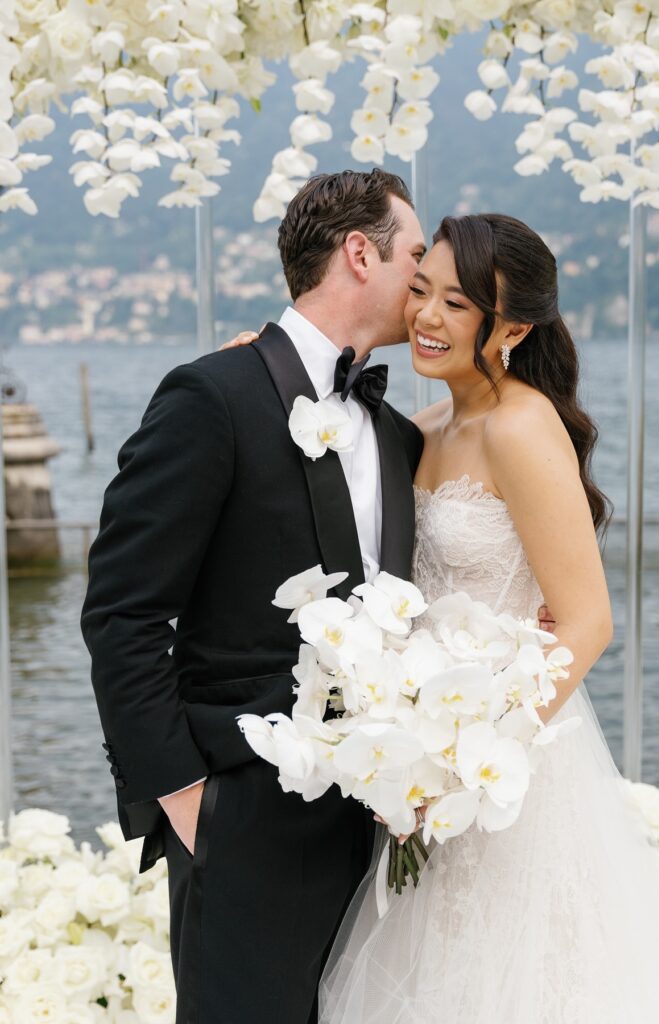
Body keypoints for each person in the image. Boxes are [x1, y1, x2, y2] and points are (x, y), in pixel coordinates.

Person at [229, 212, 659, 1023]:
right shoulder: (422, 428)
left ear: (511, 327)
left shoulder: (521, 427)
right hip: (416, 768)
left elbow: (586, 625)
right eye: (421, 291)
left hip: (502, 772)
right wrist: (255, 378)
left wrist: (456, 771)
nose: (427, 319)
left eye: (459, 304)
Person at [80, 168, 428, 1024]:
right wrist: (188, 804)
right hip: (245, 823)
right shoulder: (212, 396)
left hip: (382, 832)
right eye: (414, 256)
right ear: (359, 252)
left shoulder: (400, 434)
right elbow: (122, 613)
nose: (424, 279)